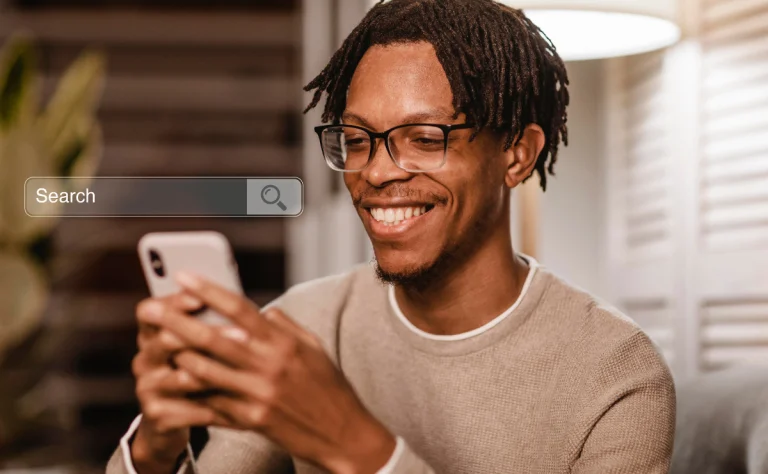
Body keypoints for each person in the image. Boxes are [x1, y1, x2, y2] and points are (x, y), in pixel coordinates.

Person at [107, 0, 675, 473]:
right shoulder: (306, 324)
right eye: (356, 139)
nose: (376, 172)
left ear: (517, 154)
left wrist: (354, 444)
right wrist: (154, 447)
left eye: (426, 138)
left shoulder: (617, 376)